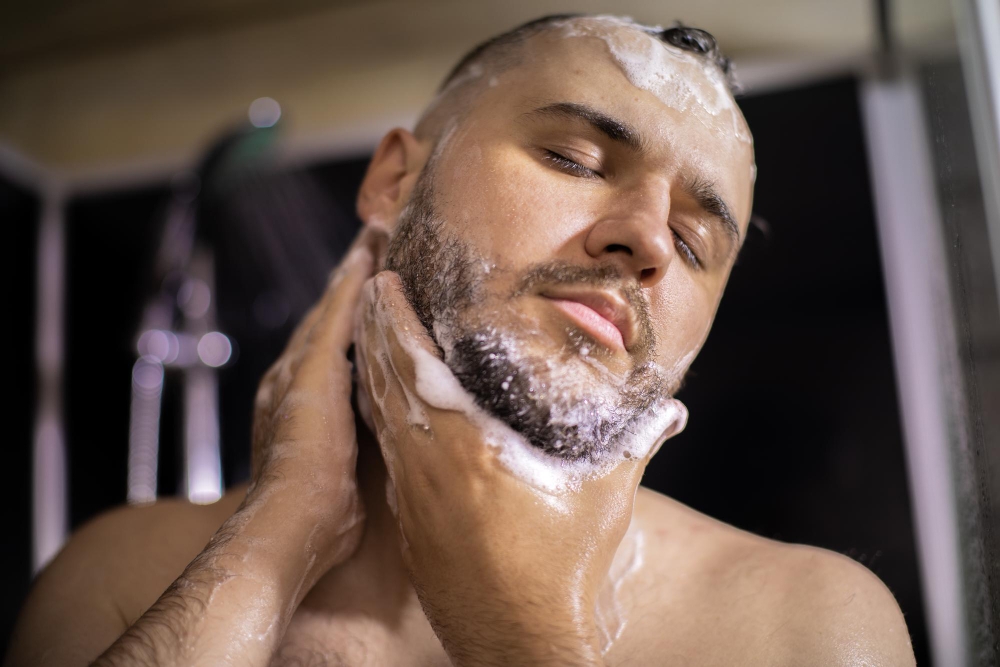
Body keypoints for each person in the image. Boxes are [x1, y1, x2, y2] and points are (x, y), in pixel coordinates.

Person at [6, 14, 917, 667]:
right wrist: (279, 531)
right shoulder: (120, 574)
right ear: (394, 182)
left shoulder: (807, 627)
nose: (646, 238)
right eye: (573, 159)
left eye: (692, 243)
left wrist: (522, 635)